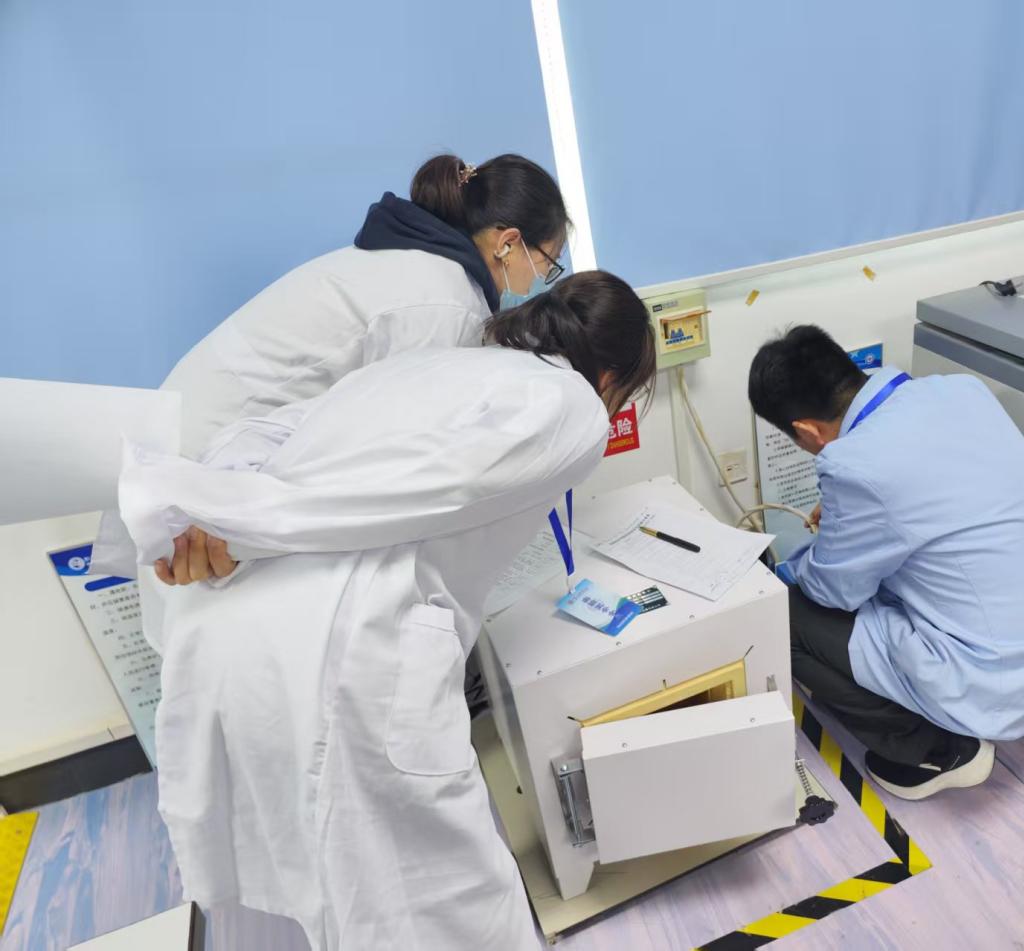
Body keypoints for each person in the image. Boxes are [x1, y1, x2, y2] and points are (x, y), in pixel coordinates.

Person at [116, 272, 657, 950]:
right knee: (442, 906)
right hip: (339, 656)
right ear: (611, 375)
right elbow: (435, 487)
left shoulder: (427, 364)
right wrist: (234, 529)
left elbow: (259, 437)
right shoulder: (572, 403)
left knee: (334, 891)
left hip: (227, 638)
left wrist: (204, 511)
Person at [92, 151, 570, 577]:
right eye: (547, 263)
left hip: (194, 449)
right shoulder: (442, 303)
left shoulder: (409, 261)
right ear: (508, 243)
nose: (541, 281)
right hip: (208, 476)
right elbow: (396, 457)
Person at [748, 325, 1024, 801]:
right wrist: (849, 518)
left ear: (806, 431)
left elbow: (834, 592)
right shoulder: (961, 391)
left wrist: (781, 573)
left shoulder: (853, 465)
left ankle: (937, 750)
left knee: (781, 613)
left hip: (1002, 680)